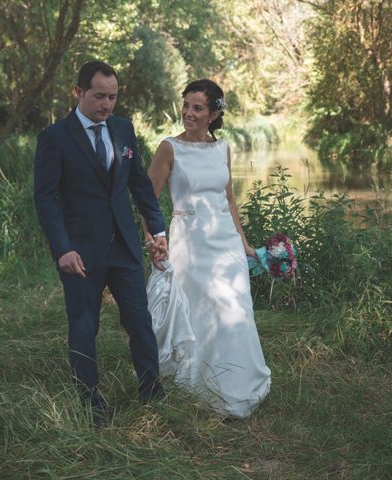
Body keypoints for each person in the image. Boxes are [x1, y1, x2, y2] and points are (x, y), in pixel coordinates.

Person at [33, 61, 168, 425]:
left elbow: (140, 185)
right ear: (78, 93)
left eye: (112, 96)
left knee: (140, 321)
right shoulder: (55, 137)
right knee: (83, 325)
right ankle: (89, 400)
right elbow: (45, 199)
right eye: (99, 96)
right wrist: (62, 247)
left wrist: (158, 232)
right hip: (79, 252)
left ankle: (152, 393)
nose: (107, 104)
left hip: (123, 246)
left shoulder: (123, 129)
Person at [146, 79, 271, 418]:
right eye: (186, 105)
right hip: (190, 242)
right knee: (200, 311)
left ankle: (237, 386)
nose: (188, 113)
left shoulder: (223, 149)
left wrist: (243, 242)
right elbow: (147, 200)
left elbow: (228, 198)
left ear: (214, 113)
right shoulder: (169, 148)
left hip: (225, 241)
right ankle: (196, 385)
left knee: (235, 309)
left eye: (197, 108)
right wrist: (154, 240)